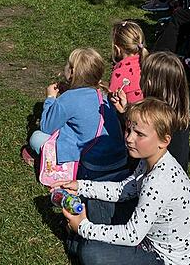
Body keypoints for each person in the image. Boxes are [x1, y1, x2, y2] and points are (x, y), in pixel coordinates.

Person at [57, 99, 190, 265]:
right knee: (95, 201)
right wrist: (80, 186)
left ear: (164, 141)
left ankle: (80, 244)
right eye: (129, 129)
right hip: (147, 238)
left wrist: (84, 228)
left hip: (164, 264)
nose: (129, 138)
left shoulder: (160, 182)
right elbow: (122, 190)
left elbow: (132, 235)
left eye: (139, 134)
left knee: (92, 254)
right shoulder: (149, 160)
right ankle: (80, 244)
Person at [26, 48, 128, 181]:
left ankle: (60, 165)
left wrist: (50, 98)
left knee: (36, 137)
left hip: (92, 165)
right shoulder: (104, 94)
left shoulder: (69, 98)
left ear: (72, 72)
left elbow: (46, 126)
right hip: (119, 160)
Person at [111, 51, 190, 171]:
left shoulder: (157, 121)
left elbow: (137, 151)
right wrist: (125, 111)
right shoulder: (177, 116)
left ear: (148, 83)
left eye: (142, 75)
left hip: (152, 180)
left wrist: (124, 116)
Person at [108, 21, 149, 105]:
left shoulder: (119, 73)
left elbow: (112, 102)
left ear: (117, 49)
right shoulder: (149, 64)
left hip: (129, 115)